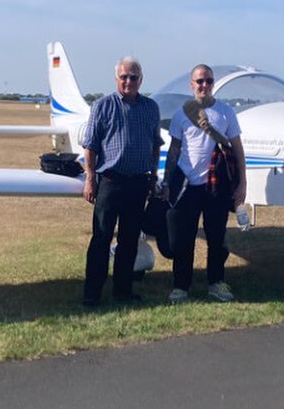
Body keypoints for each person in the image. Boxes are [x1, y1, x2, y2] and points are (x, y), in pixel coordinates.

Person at [163, 64, 247, 304]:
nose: (204, 85)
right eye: (199, 81)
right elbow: (174, 150)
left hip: (216, 186)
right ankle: (181, 287)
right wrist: (168, 181)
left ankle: (216, 283)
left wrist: (241, 184)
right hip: (188, 186)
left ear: (213, 84)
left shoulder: (226, 113)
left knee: (217, 238)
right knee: (183, 239)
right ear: (192, 85)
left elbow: (237, 149)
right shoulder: (181, 114)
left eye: (208, 81)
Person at [81, 56, 161, 307]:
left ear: (141, 80)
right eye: (124, 77)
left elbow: (155, 145)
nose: (129, 81)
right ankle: (92, 294)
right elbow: (91, 147)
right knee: (101, 239)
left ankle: (123, 291)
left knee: (129, 241)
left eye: (133, 77)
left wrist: (152, 177)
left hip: (138, 184)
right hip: (110, 182)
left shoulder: (150, 107)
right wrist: (90, 180)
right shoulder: (103, 106)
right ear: (117, 79)